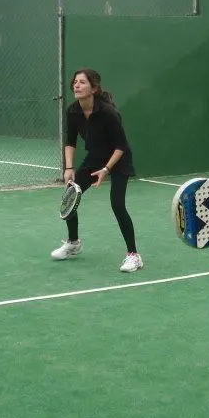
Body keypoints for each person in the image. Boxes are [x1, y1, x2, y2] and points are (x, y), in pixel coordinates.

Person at [52, 68, 142, 273]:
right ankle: (73, 243)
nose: (76, 85)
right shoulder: (73, 111)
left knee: (117, 205)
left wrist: (106, 169)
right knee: (70, 194)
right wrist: (68, 168)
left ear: (93, 88)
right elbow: (70, 141)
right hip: (95, 157)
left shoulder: (108, 112)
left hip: (118, 159)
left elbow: (121, 146)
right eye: (75, 82)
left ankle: (133, 256)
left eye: (82, 82)